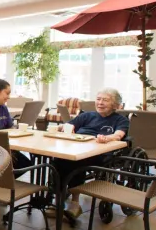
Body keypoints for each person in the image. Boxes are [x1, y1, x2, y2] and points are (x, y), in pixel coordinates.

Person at [55, 88, 129, 218]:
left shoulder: (120, 120)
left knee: (77, 163)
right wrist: (67, 127)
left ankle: (75, 202)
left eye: (105, 100)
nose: (100, 103)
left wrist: (107, 138)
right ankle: (58, 198)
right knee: (58, 160)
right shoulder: (87, 116)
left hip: (99, 153)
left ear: (115, 105)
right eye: (98, 99)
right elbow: (68, 125)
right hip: (77, 147)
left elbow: (118, 135)